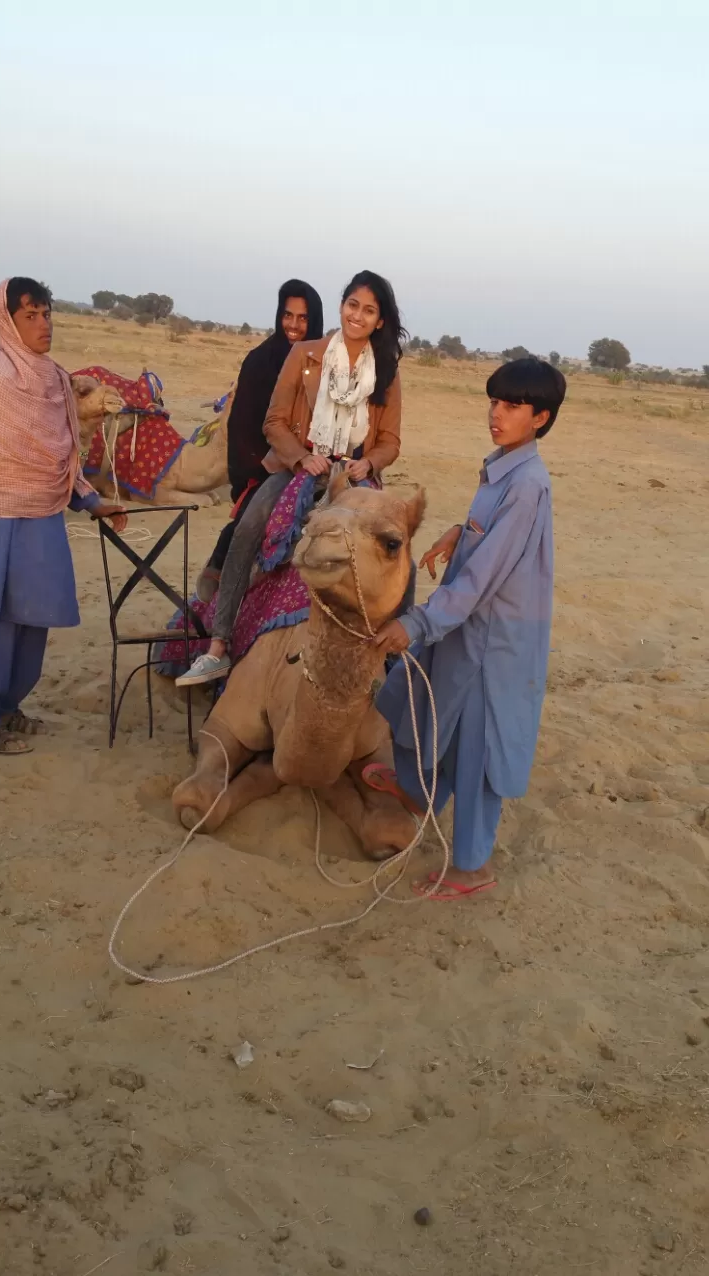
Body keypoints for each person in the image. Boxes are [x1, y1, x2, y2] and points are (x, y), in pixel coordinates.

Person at [368, 358, 567, 899]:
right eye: (494, 402)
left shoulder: (527, 485)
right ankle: (418, 792)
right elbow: (491, 539)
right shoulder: (502, 467)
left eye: (512, 406)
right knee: (420, 698)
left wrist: (417, 621)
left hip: (493, 639)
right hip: (466, 624)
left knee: (478, 746)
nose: (496, 415)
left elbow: (483, 578)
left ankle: (472, 867)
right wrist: (460, 530)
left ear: (540, 418)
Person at [177, 269, 406, 686]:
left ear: (380, 321)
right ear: (341, 306)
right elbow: (275, 421)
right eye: (352, 305)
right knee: (247, 529)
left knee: (394, 546)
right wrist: (301, 458)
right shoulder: (305, 355)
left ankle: (389, 656)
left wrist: (369, 464)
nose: (357, 315)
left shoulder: (385, 374)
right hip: (298, 467)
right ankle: (219, 646)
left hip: (354, 476)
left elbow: (390, 441)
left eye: (368, 310)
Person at [0, 277, 126, 755]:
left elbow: (62, 456)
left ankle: (9, 707)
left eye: (47, 314)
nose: (43, 324)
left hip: (45, 517)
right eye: (31, 315)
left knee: (34, 619)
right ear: (8, 321)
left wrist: (92, 502)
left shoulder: (55, 380)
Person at [196, 279, 324, 601]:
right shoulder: (260, 361)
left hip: (319, 461)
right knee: (253, 521)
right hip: (265, 463)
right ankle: (223, 603)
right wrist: (262, 469)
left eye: (303, 318)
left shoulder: (327, 363)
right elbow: (243, 425)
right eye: (287, 315)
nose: (293, 324)